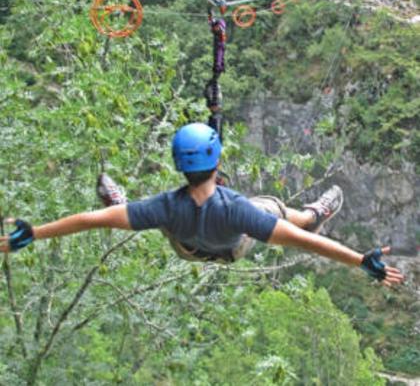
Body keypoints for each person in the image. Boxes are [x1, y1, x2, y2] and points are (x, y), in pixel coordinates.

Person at [0, 123, 404, 287]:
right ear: (217, 159)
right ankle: (315, 213)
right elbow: (305, 242)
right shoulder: (238, 209)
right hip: (232, 246)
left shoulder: (165, 206)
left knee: (136, 214)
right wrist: (359, 261)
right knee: (278, 211)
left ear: (179, 164)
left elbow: (91, 219)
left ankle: (123, 204)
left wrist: (35, 233)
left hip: (186, 246)